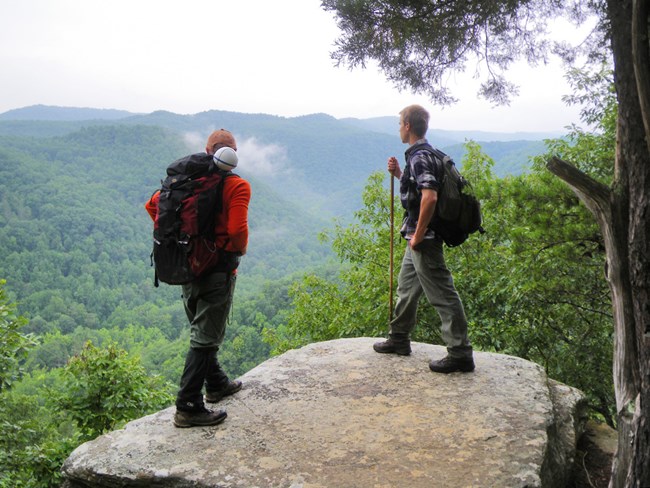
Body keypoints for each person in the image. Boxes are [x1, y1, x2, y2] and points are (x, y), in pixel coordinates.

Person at [145, 129, 251, 427]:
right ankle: (188, 405)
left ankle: (216, 383)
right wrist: (234, 252)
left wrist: (183, 240)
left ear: (208, 150)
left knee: (201, 327)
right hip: (217, 269)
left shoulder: (184, 181)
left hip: (186, 266)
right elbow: (237, 231)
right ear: (232, 153)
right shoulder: (237, 185)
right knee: (205, 336)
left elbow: (152, 205)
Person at [373, 105, 475, 373]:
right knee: (406, 289)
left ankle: (460, 352)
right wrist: (399, 174)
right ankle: (399, 339)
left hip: (423, 237)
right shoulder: (425, 154)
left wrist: (418, 236)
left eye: (399, 124)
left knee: (442, 293)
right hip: (415, 235)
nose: (398, 128)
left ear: (408, 125)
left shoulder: (419, 156)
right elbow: (420, 189)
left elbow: (430, 197)